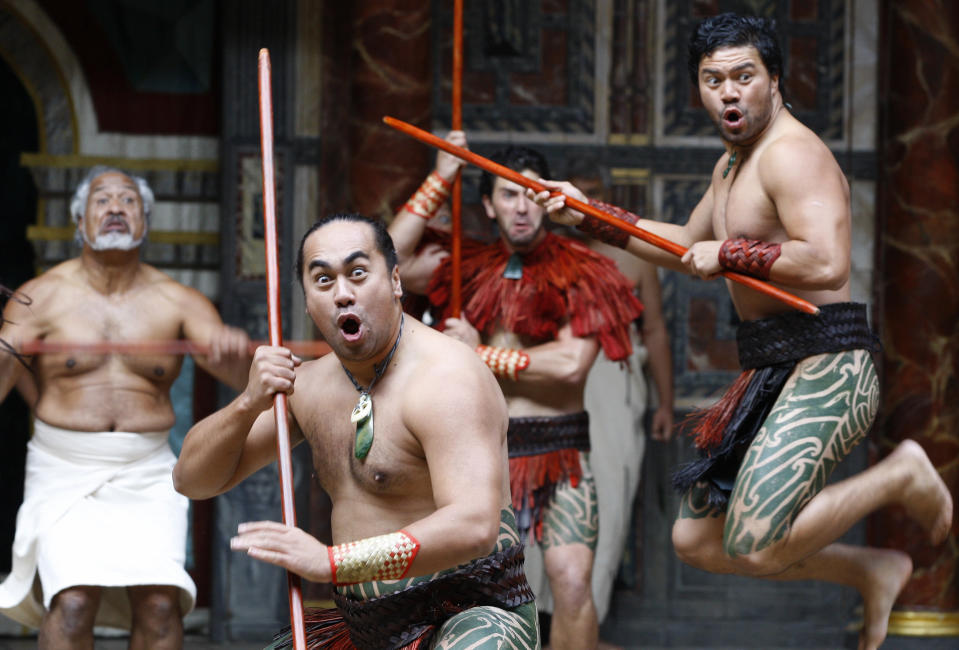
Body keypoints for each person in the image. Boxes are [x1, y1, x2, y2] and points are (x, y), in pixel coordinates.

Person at [531, 13, 953, 650]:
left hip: (828, 361)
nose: (728, 92)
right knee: (695, 539)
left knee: (753, 543)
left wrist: (729, 253)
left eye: (743, 76)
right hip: (770, 367)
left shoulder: (793, 154)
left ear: (774, 79)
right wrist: (585, 213)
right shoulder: (731, 166)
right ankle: (870, 568)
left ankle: (900, 475)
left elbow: (827, 261)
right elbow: (679, 244)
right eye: (712, 80)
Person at [172, 213, 539, 649]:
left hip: (467, 610)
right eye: (323, 281)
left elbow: (474, 526)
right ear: (308, 302)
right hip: (366, 625)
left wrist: (330, 563)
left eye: (358, 273)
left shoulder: (448, 378)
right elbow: (192, 480)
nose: (343, 293)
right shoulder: (306, 387)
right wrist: (248, 402)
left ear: (396, 282)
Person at [389, 141, 643, 650]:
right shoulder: (462, 263)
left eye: (531, 194)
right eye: (508, 195)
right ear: (489, 205)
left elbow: (570, 366)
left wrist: (481, 353)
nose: (522, 206)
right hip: (482, 455)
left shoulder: (583, 270)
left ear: (547, 200)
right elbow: (385, 260)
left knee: (572, 581)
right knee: (473, 592)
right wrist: (441, 175)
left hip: (561, 451)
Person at [0, 166, 252, 649]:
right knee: (72, 603)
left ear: (145, 220)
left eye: (129, 200)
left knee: (161, 606)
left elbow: (243, 384)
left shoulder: (179, 301)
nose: (115, 207)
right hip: (62, 467)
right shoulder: (40, 297)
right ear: (79, 221)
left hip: (147, 468)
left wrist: (236, 358)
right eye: (101, 199)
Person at [523, 164, 674, 636]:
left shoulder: (632, 255)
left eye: (592, 196)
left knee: (606, 491)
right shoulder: (541, 254)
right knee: (537, 494)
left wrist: (665, 403)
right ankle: (533, 620)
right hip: (549, 382)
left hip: (614, 382)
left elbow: (653, 330)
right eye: (575, 194)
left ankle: (583, 614)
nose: (579, 203)